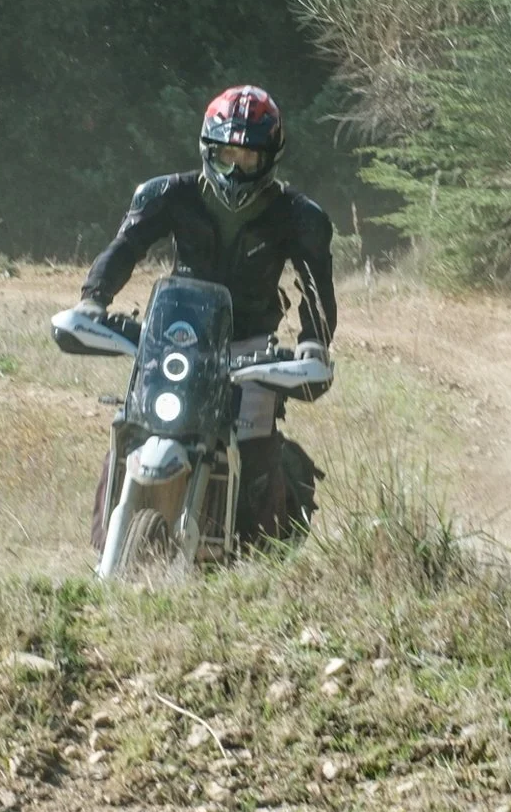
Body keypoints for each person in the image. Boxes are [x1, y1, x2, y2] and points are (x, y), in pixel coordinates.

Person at [76, 85, 336, 542]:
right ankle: (105, 542)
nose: (236, 168)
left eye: (249, 157)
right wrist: (92, 301)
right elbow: (125, 248)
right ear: (206, 150)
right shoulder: (167, 195)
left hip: (251, 348)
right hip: (178, 339)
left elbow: (315, 288)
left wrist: (313, 342)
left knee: (254, 449)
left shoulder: (298, 216)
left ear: (270, 156)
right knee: (132, 427)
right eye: (226, 155)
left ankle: (261, 552)